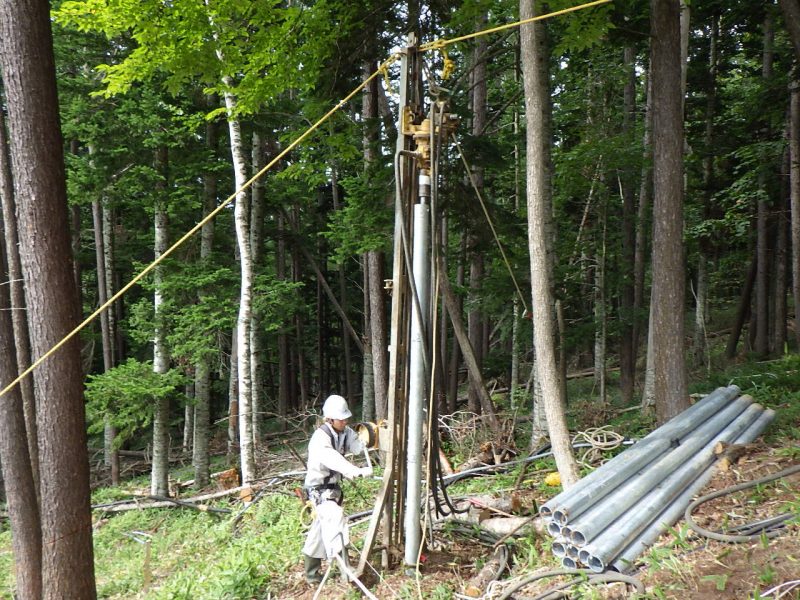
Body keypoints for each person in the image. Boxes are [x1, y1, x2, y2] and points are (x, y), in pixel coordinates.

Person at [302, 394, 372, 584]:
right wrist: (354, 471)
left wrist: (368, 436)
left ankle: (311, 574)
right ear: (330, 418)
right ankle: (345, 569)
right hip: (318, 490)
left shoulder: (345, 431)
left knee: (318, 530)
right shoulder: (320, 438)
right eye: (341, 418)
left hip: (332, 489)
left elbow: (357, 447)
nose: (345, 421)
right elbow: (333, 459)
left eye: (345, 417)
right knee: (335, 518)